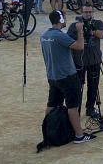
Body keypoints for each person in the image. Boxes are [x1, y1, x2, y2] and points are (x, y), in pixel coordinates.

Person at [40, 10, 96, 144]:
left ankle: (49, 131)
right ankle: (79, 135)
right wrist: (80, 31)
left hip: (53, 76)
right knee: (72, 107)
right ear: (60, 19)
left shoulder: (44, 35)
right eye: (64, 18)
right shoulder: (60, 36)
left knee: (52, 104)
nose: (65, 20)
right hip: (67, 77)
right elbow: (80, 46)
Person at [66, 3, 103, 121]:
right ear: (81, 12)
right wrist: (80, 33)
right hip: (79, 62)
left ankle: (90, 108)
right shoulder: (74, 26)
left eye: (90, 12)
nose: (88, 14)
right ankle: (76, 110)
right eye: (86, 12)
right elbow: (68, 41)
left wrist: (92, 32)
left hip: (94, 60)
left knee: (93, 86)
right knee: (77, 87)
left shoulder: (97, 23)